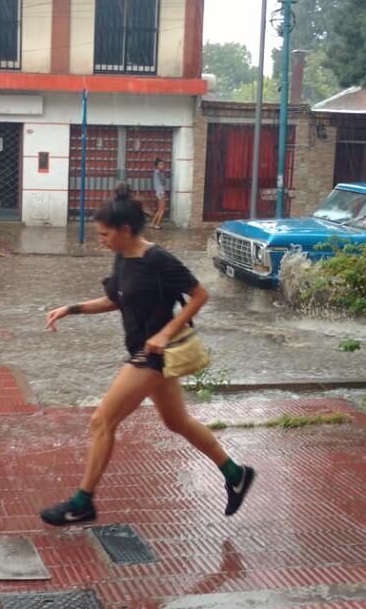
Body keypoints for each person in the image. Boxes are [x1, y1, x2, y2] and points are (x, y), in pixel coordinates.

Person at [39, 183, 255, 527]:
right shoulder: (123, 257)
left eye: (105, 233)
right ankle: (236, 473)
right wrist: (71, 308)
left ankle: (82, 502)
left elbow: (199, 295)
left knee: (102, 421)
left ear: (125, 230)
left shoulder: (158, 260)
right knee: (177, 422)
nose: (101, 239)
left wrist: (167, 331)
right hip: (145, 352)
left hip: (155, 354)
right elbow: (116, 299)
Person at [150, 158, 169, 230]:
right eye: (161, 164)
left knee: (160, 209)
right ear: (157, 166)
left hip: (158, 192)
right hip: (161, 192)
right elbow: (163, 182)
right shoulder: (158, 173)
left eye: (163, 164)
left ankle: (152, 223)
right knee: (162, 209)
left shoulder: (156, 173)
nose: (162, 166)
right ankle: (157, 224)